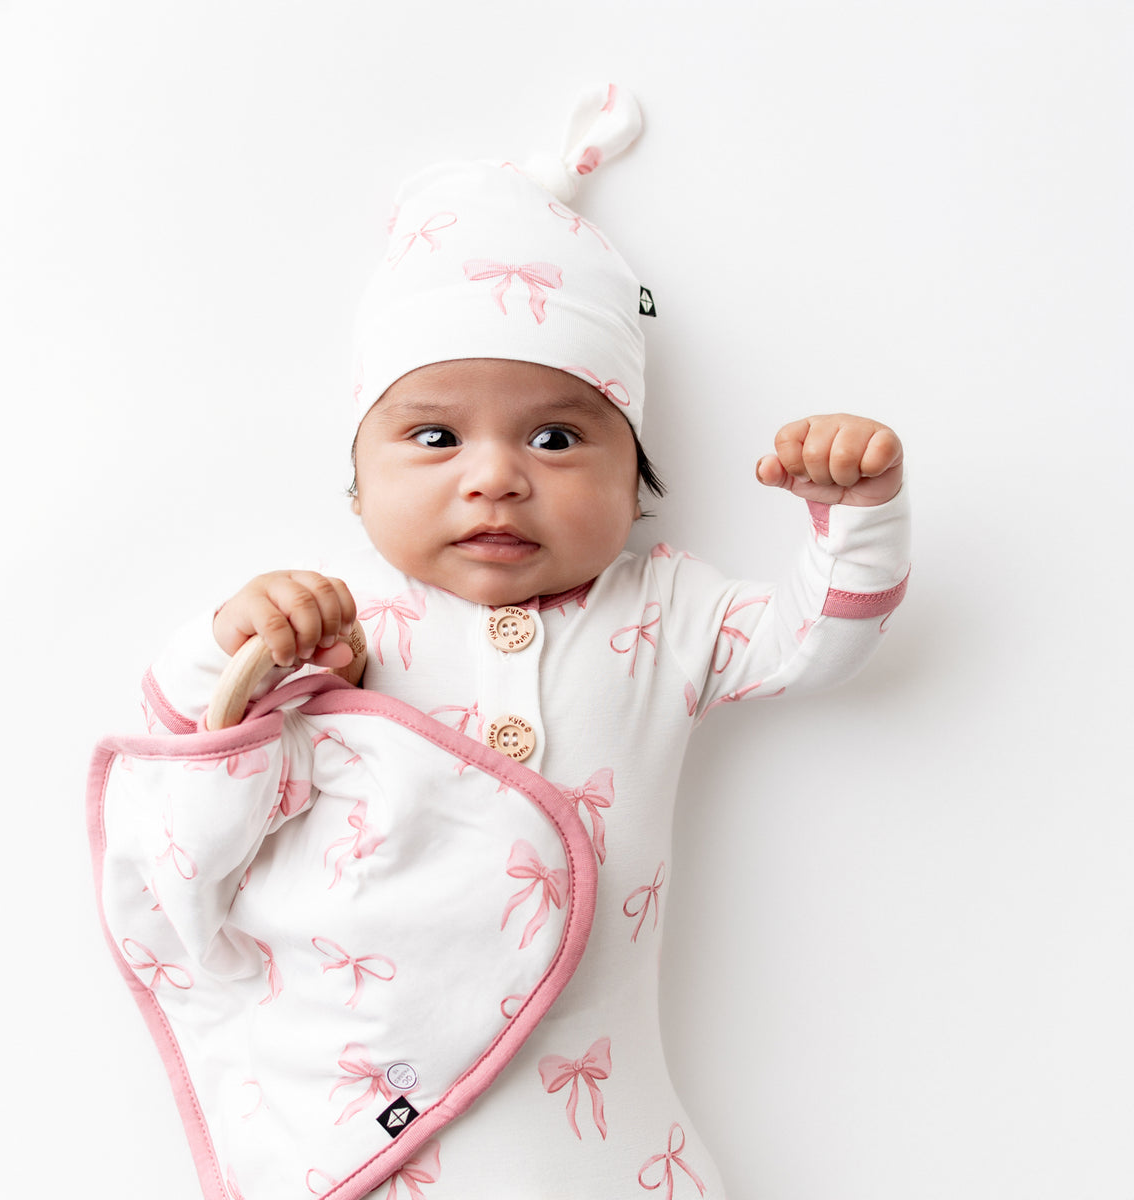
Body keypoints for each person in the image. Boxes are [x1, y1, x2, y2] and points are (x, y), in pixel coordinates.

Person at [94, 86, 910, 1199]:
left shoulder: (663, 612)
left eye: (558, 435)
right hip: (389, 1102)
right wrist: (232, 640)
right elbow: (192, 756)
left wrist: (858, 513)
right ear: (358, 480)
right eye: (433, 435)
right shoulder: (342, 621)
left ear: (638, 482)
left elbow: (820, 642)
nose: (495, 474)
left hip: (600, 1114)